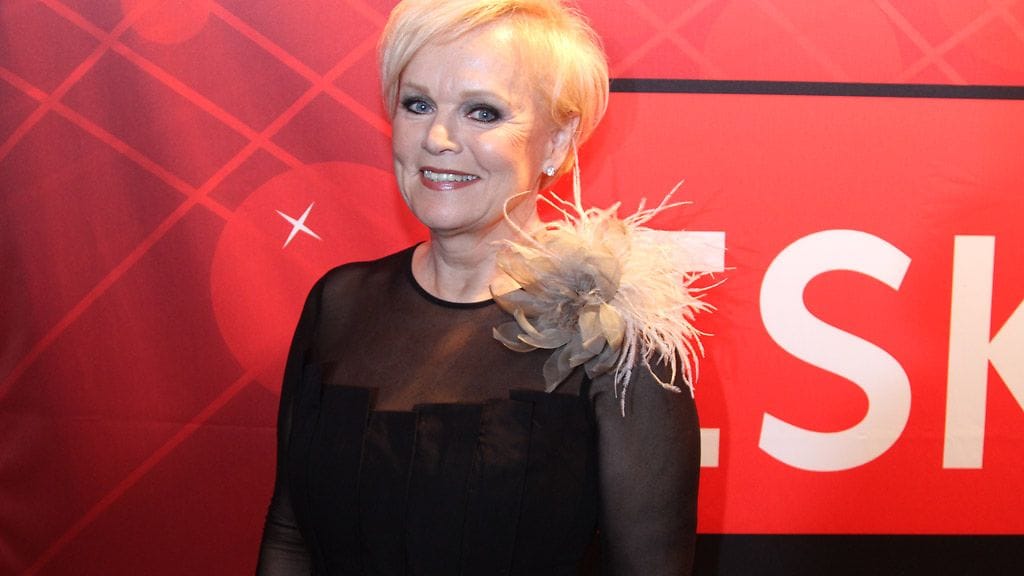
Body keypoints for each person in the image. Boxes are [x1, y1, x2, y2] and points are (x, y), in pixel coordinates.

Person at [256, 1, 703, 574]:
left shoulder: (614, 340)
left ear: (557, 141)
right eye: (418, 104)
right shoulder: (339, 303)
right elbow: (289, 534)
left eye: (483, 112)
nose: (437, 138)